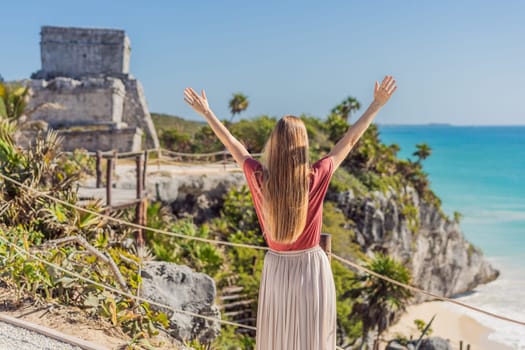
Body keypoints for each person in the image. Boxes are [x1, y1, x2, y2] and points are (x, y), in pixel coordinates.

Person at [183, 76, 397, 350]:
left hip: (277, 269)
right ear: (303, 147)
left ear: (274, 144)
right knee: (311, 341)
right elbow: (350, 140)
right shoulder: (315, 176)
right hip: (311, 268)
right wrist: (376, 105)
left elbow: (234, 146)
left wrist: (207, 113)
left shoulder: (260, 178)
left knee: (279, 341)